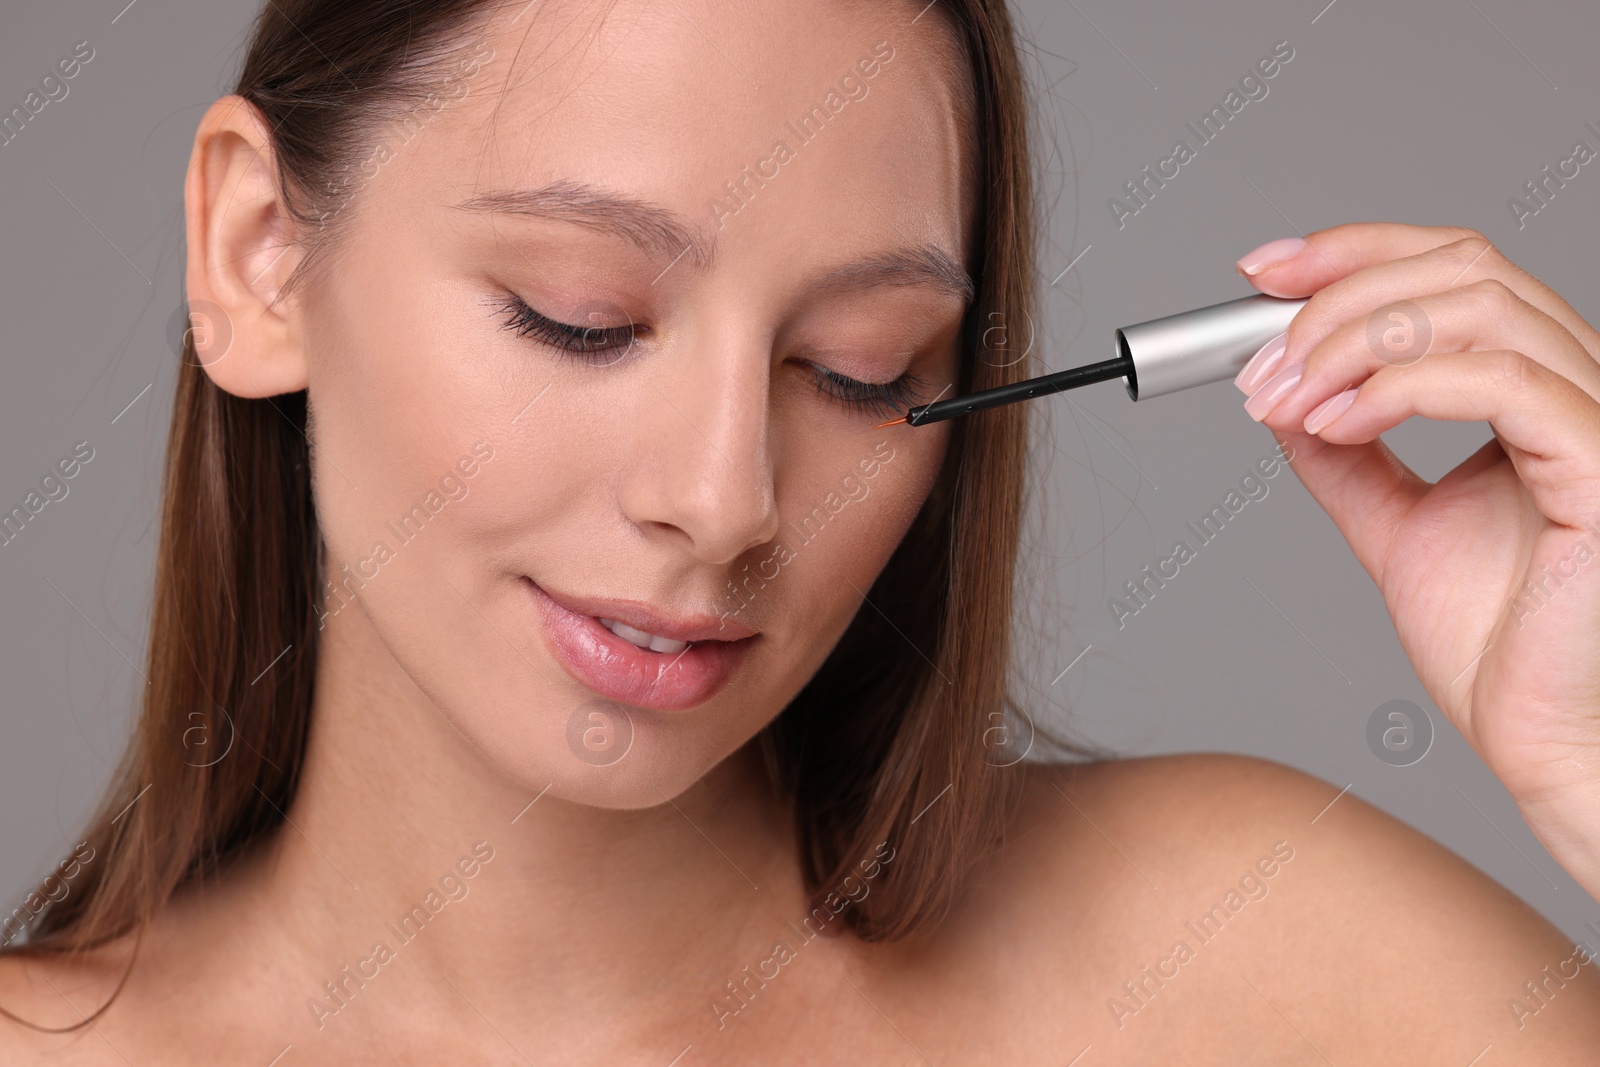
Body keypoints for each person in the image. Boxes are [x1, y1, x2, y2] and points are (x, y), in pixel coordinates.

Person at [4, 0, 1600, 1060]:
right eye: (581, 320)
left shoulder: (1254, 969)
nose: (722, 499)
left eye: (858, 372)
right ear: (261, 252)